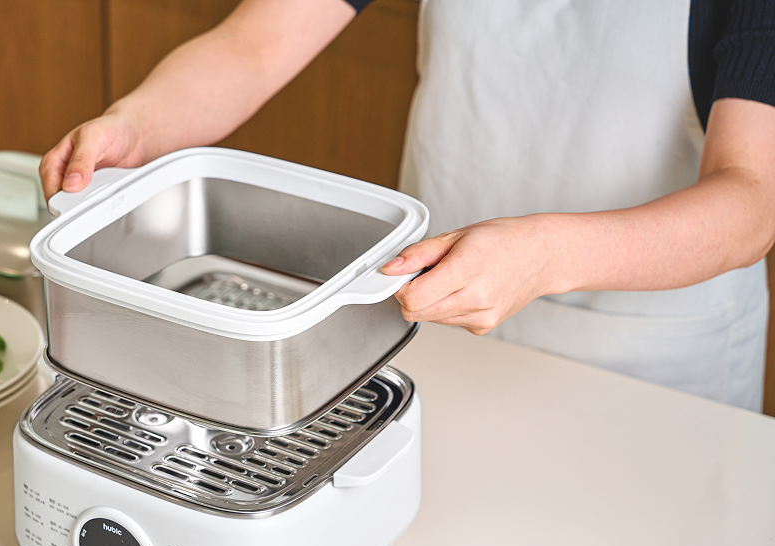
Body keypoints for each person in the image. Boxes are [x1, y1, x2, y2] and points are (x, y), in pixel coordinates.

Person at [39, 0, 775, 411]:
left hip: (650, 370)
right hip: (430, 311)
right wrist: (140, 123)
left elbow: (752, 197)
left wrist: (547, 255)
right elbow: (257, 42)